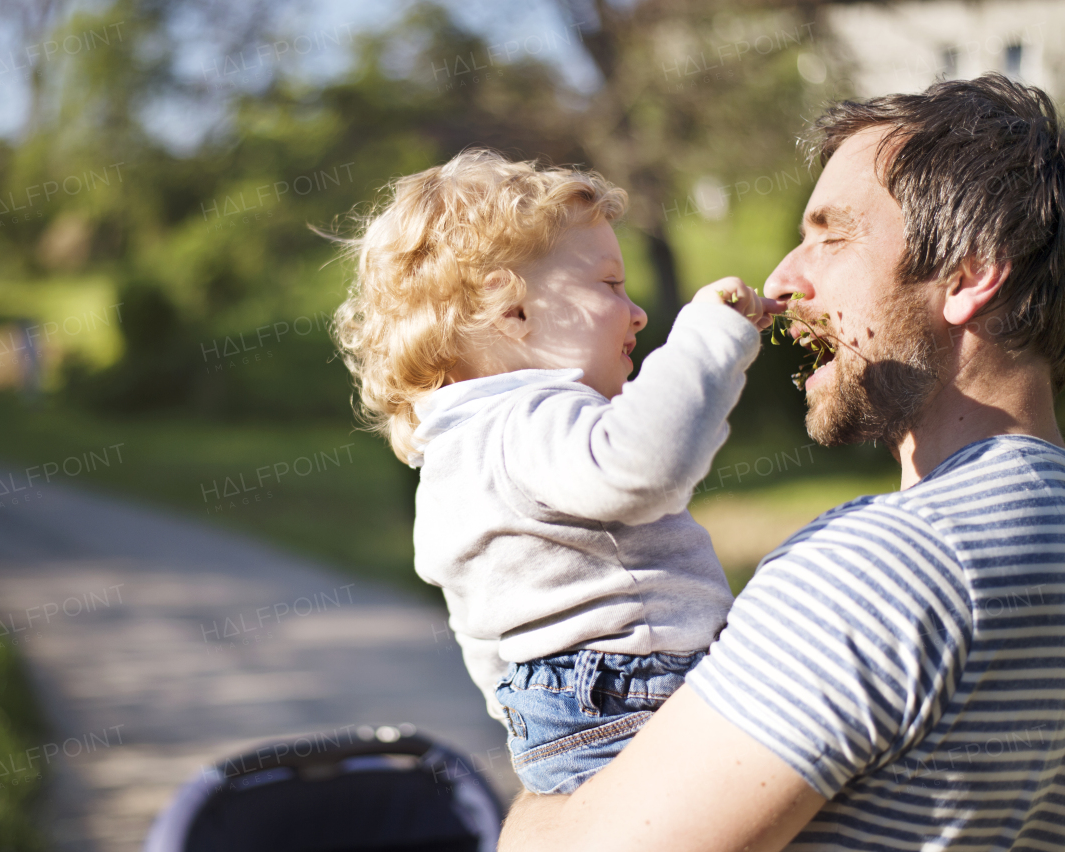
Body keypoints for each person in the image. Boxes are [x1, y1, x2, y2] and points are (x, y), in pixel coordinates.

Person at [498, 73, 1065, 851]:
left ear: (969, 273)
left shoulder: (886, 566)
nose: (781, 282)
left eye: (831, 236)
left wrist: (536, 806)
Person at [331, 149, 782, 794]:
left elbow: (480, 623)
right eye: (610, 285)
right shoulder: (534, 414)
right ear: (510, 311)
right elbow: (646, 465)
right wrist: (709, 340)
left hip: (561, 725)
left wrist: (528, 716)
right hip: (637, 694)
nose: (638, 312)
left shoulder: (454, 453)